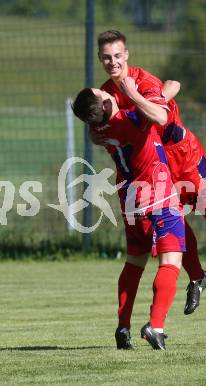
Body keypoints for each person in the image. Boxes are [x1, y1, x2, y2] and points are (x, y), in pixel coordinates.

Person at [95, 30, 206, 310]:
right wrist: (94, 135)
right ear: (100, 59)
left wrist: (135, 94)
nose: (113, 62)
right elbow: (94, 120)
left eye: (118, 56)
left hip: (181, 155)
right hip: (153, 167)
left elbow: (160, 115)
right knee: (175, 226)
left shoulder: (143, 82)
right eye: (107, 58)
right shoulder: (105, 94)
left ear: (127, 55)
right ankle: (197, 277)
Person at [72, 87, 186, 351]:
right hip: (156, 194)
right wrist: (135, 91)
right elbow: (162, 105)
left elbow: (98, 121)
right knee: (171, 260)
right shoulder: (129, 120)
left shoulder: (96, 131)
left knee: (135, 261)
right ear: (105, 107)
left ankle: (123, 327)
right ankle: (155, 326)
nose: (105, 91)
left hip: (130, 198)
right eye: (101, 93)